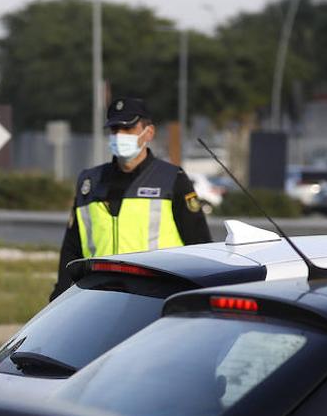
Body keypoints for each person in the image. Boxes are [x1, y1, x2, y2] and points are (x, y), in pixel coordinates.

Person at [49, 96, 212, 300]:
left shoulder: (171, 179)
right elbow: (72, 248)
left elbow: (199, 244)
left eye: (128, 129)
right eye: (115, 130)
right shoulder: (90, 183)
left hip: (156, 296)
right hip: (98, 296)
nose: (119, 136)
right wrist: (59, 296)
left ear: (148, 132)